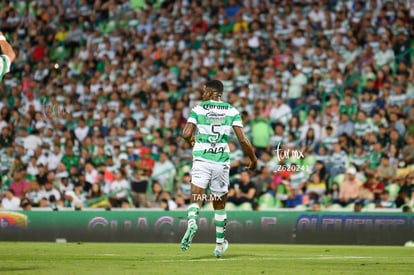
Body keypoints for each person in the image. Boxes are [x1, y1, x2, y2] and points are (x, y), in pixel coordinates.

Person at [180, 80, 257, 257]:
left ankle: (192, 221)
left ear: (210, 92)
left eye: (204, 90)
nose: (202, 93)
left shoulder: (198, 109)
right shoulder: (232, 111)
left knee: (196, 196)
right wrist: (253, 158)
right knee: (219, 204)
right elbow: (243, 140)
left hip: (201, 159)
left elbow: (185, 133)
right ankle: (219, 246)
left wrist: (191, 140)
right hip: (221, 162)